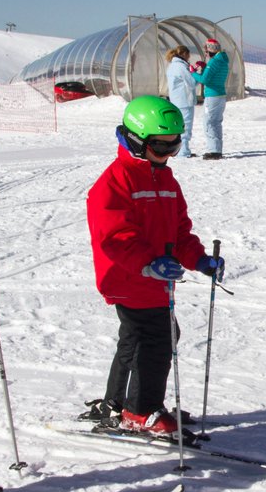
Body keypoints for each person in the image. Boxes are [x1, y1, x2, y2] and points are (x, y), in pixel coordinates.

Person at [81, 95, 225, 435]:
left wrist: (199, 260)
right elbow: (115, 238)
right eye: (161, 147)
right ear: (134, 138)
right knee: (157, 337)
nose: (169, 155)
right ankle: (140, 410)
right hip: (128, 277)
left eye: (175, 146)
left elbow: (179, 232)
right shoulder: (114, 183)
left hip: (154, 280)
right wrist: (148, 264)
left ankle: (116, 402)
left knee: (136, 337)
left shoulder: (165, 180)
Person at [191, 38, 230, 159]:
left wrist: (192, 72)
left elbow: (204, 80)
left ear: (211, 50)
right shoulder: (222, 61)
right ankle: (217, 149)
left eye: (206, 51)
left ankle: (214, 151)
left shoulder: (214, 62)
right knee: (216, 122)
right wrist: (205, 67)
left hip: (212, 96)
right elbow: (212, 75)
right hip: (220, 95)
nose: (206, 54)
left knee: (209, 122)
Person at [165, 45, 198, 157]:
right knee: (185, 126)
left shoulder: (173, 66)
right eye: (188, 55)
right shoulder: (181, 67)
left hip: (177, 100)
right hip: (184, 100)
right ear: (184, 54)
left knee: (180, 125)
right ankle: (183, 151)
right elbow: (192, 82)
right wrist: (197, 73)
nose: (189, 57)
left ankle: (182, 150)